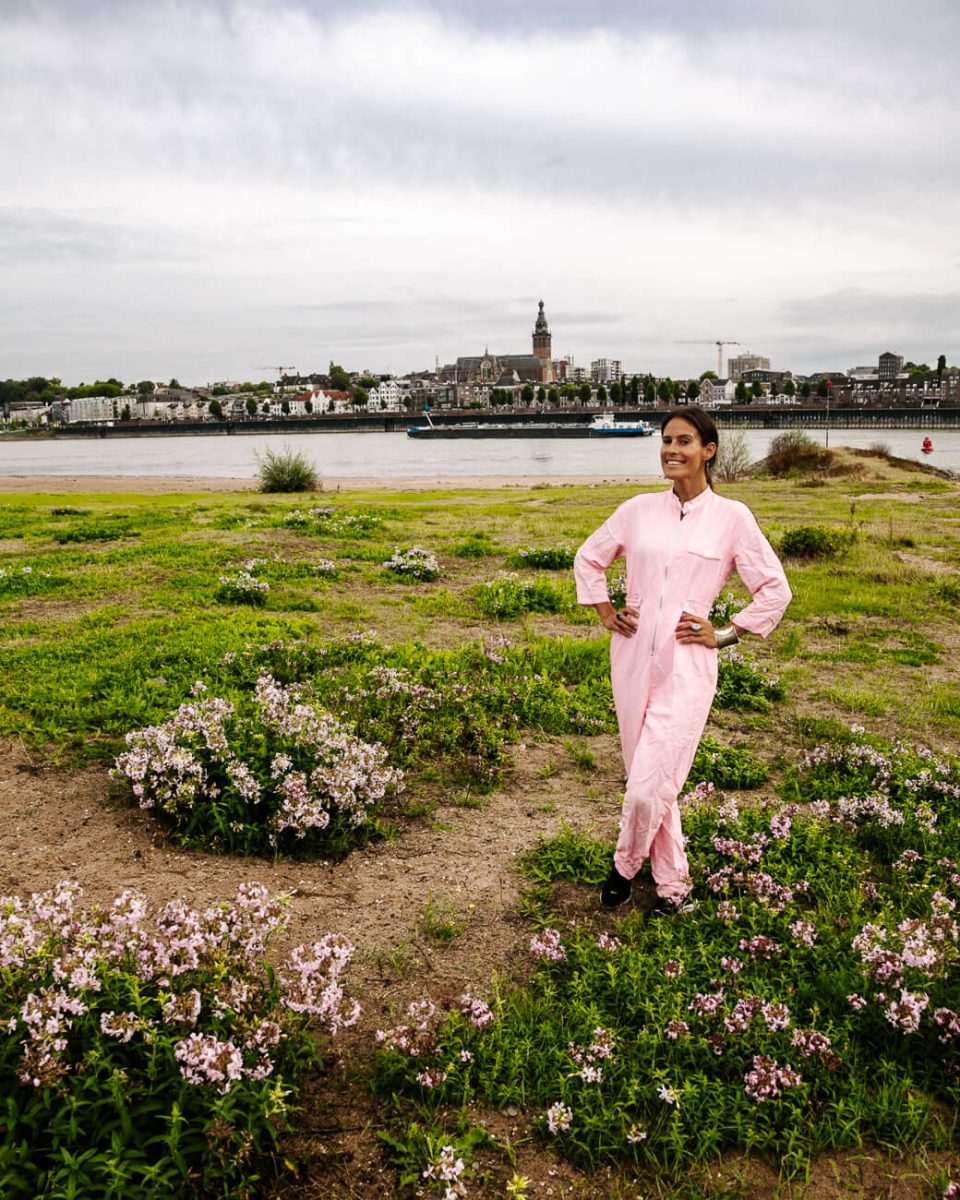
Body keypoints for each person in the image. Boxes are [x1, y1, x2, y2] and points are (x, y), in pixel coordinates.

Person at [573, 406, 791, 911]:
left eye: (684, 441)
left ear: (708, 452)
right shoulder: (637, 509)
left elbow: (774, 590)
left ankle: (623, 867)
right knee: (651, 776)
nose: (671, 450)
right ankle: (674, 886)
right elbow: (590, 556)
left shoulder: (732, 518)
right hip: (630, 658)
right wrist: (606, 611)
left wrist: (727, 633)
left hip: (688, 664)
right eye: (667, 440)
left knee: (651, 784)